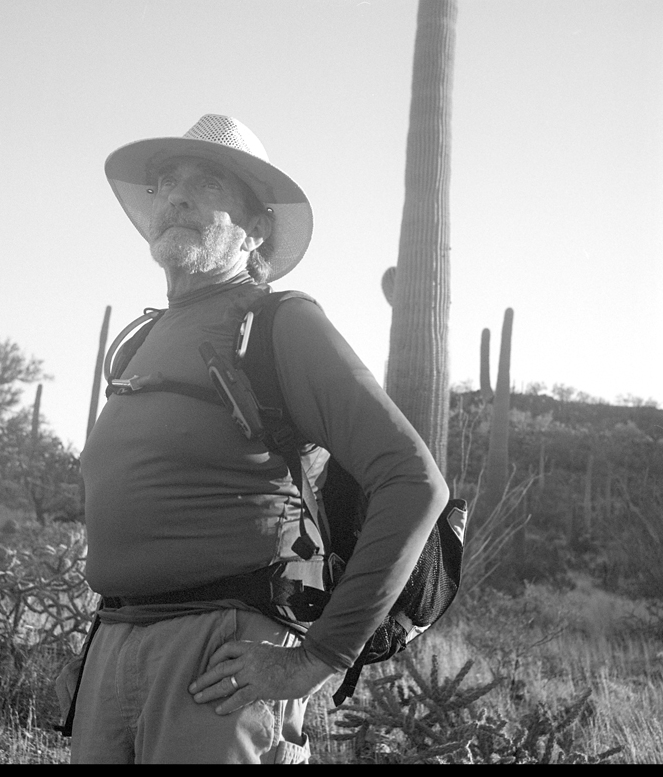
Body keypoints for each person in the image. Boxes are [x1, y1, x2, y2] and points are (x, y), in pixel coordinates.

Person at [69, 113, 449, 764]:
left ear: (257, 231)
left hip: (218, 660)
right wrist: (106, 649)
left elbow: (414, 481)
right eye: (165, 182)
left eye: (207, 182)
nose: (177, 196)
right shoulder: (139, 342)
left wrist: (315, 659)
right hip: (114, 642)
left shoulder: (277, 323)